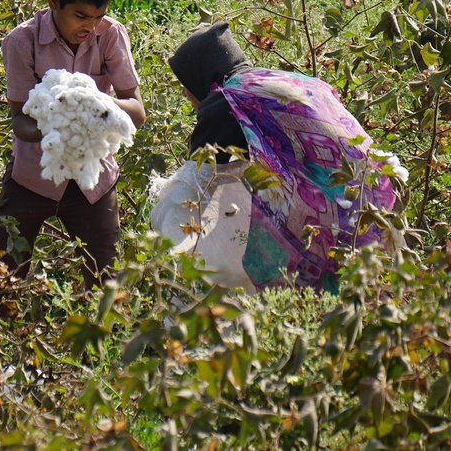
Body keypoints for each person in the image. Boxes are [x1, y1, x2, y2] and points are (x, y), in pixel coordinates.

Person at [153, 21, 397, 293]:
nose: (189, 100)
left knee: (321, 302)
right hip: (379, 196)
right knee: (372, 292)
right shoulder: (289, 80)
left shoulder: (226, 101)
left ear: (198, 80)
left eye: (187, 92)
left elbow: (196, 186)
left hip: (332, 217)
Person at [0, 0, 147, 289]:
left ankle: (102, 340)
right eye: (80, 16)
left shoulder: (110, 35)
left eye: (98, 17)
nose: (89, 27)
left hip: (94, 183)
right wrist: (58, 125)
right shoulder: (21, 41)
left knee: (107, 287)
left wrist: (95, 103)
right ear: (53, 1)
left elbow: (137, 110)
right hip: (31, 178)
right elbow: (20, 121)